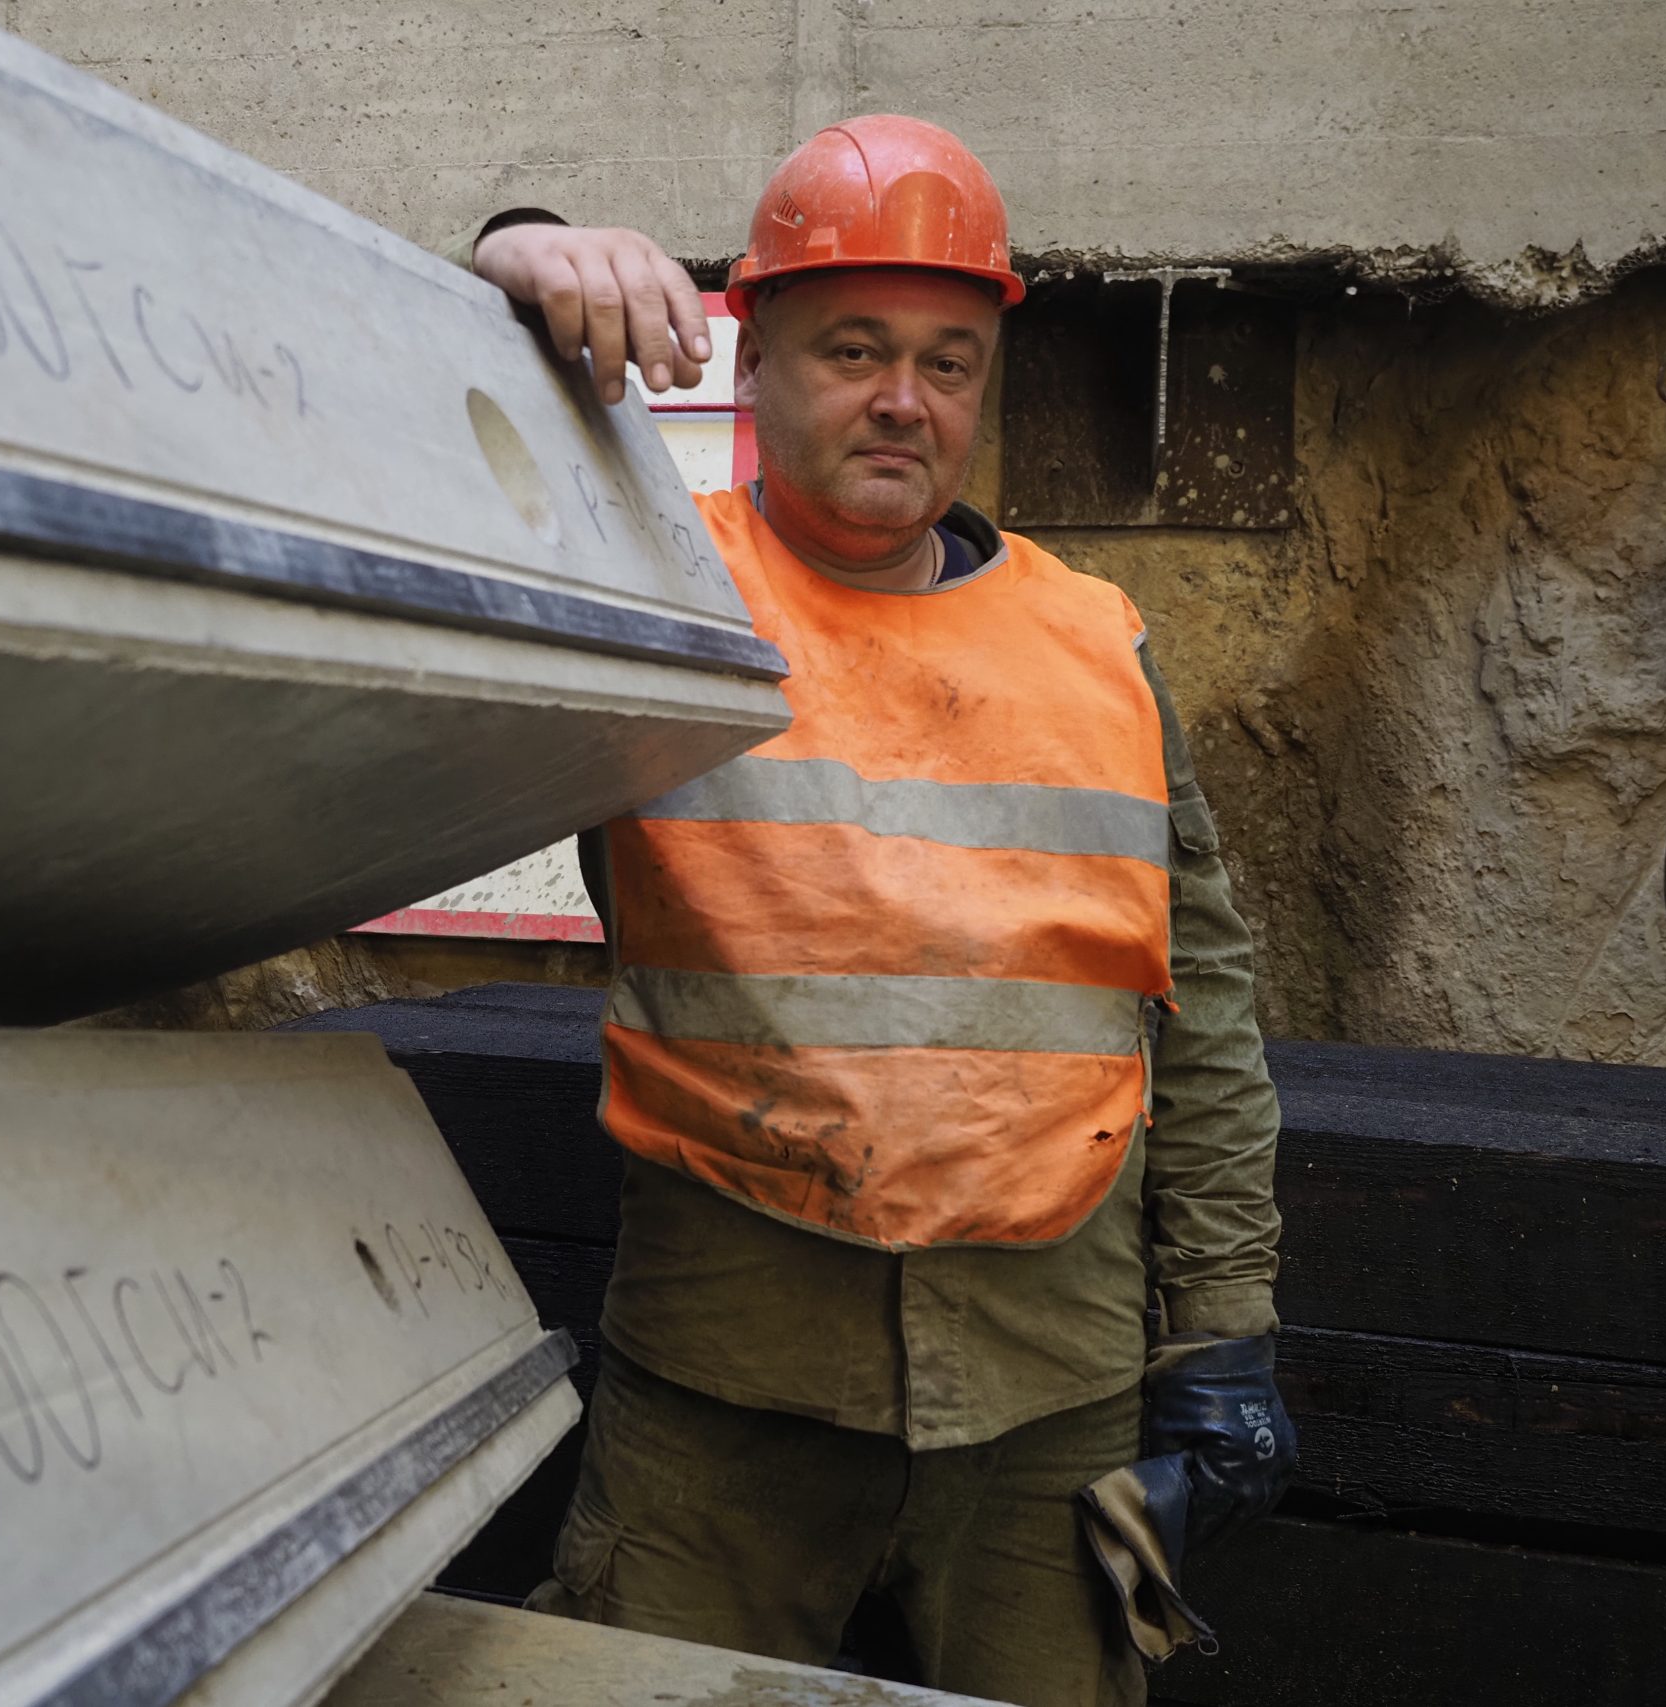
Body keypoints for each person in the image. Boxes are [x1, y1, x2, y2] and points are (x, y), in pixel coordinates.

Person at [447, 117, 1294, 1707]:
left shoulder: (1097, 647)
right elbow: (427, 511)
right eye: (852, 347)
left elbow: (1205, 1012)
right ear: (749, 359)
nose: (905, 398)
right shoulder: (650, 607)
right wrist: (513, 253)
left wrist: (1226, 1328)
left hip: (1055, 1410)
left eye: (950, 360)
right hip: (726, 1398)